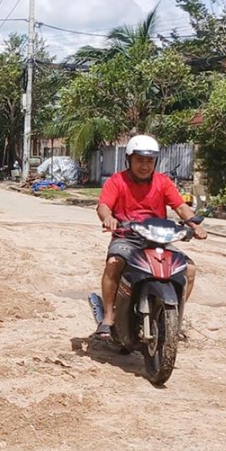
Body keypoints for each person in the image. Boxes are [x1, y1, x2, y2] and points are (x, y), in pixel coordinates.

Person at [94, 134, 207, 339]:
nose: (145, 166)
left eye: (149, 161)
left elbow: (180, 207)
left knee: (188, 270)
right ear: (129, 159)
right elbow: (103, 206)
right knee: (114, 263)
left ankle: (172, 320)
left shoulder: (163, 182)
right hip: (127, 236)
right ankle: (108, 317)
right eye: (140, 160)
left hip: (158, 238)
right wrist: (108, 218)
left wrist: (194, 224)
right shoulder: (116, 181)